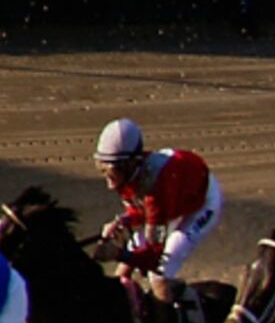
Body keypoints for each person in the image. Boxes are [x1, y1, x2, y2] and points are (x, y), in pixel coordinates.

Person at [94, 119, 224, 291]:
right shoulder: (128, 175)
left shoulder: (155, 191)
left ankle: (174, 313)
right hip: (172, 198)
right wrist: (122, 221)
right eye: (103, 169)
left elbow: (154, 258)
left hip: (202, 203)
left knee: (160, 273)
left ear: (132, 164)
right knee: (123, 270)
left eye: (114, 171)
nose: (110, 182)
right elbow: (139, 212)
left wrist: (118, 254)